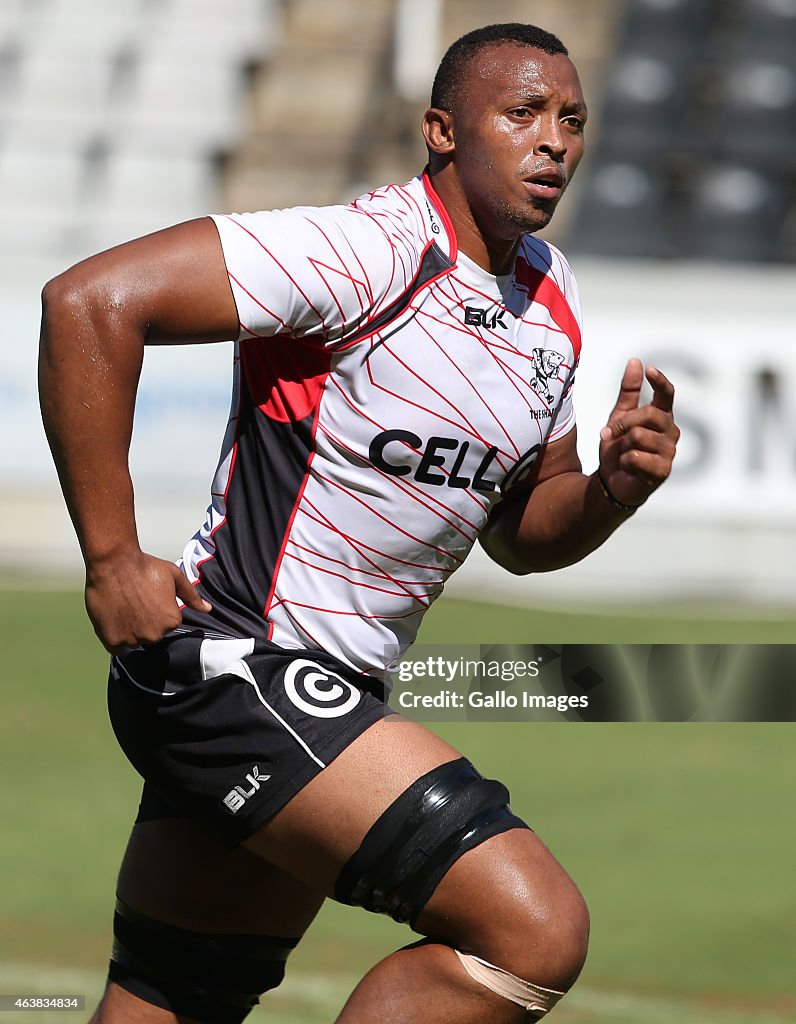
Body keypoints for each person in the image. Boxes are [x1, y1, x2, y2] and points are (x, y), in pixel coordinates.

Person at [39, 22, 679, 1024]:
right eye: (521, 114)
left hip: (322, 690)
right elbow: (88, 302)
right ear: (441, 131)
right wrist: (112, 554)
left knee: (180, 993)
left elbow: (519, 532)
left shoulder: (550, 298)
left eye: (572, 119)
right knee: (532, 929)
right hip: (232, 664)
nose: (555, 139)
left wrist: (610, 488)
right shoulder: (364, 251)